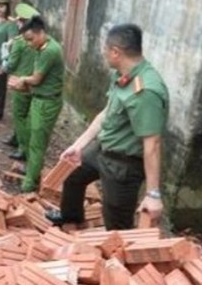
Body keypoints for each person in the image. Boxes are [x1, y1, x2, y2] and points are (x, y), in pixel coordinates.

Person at [46, 24, 169, 230]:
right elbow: (106, 113)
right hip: (102, 149)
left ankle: (116, 258)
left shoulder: (146, 91)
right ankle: (72, 218)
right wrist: (78, 145)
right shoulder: (122, 74)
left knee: (116, 222)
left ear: (116, 52)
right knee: (73, 175)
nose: (103, 54)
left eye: (105, 50)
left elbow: (153, 144)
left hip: (123, 164)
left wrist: (153, 194)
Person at [8, 16, 65, 193]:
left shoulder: (49, 51)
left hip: (47, 102)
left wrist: (22, 80)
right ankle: (33, 169)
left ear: (41, 33)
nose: (30, 44)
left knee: (37, 143)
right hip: (38, 98)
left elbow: (37, 78)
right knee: (27, 133)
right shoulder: (42, 47)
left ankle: (30, 182)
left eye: (31, 40)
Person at [3, 3, 41, 154]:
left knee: (19, 116)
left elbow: (11, 64)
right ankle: (16, 138)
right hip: (33, 82)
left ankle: (23, 149)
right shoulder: (39, 40)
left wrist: (4, 62)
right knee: (24, 114)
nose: (17, 23)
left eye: (19, 21)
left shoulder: (20, 42)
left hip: (19, 83)